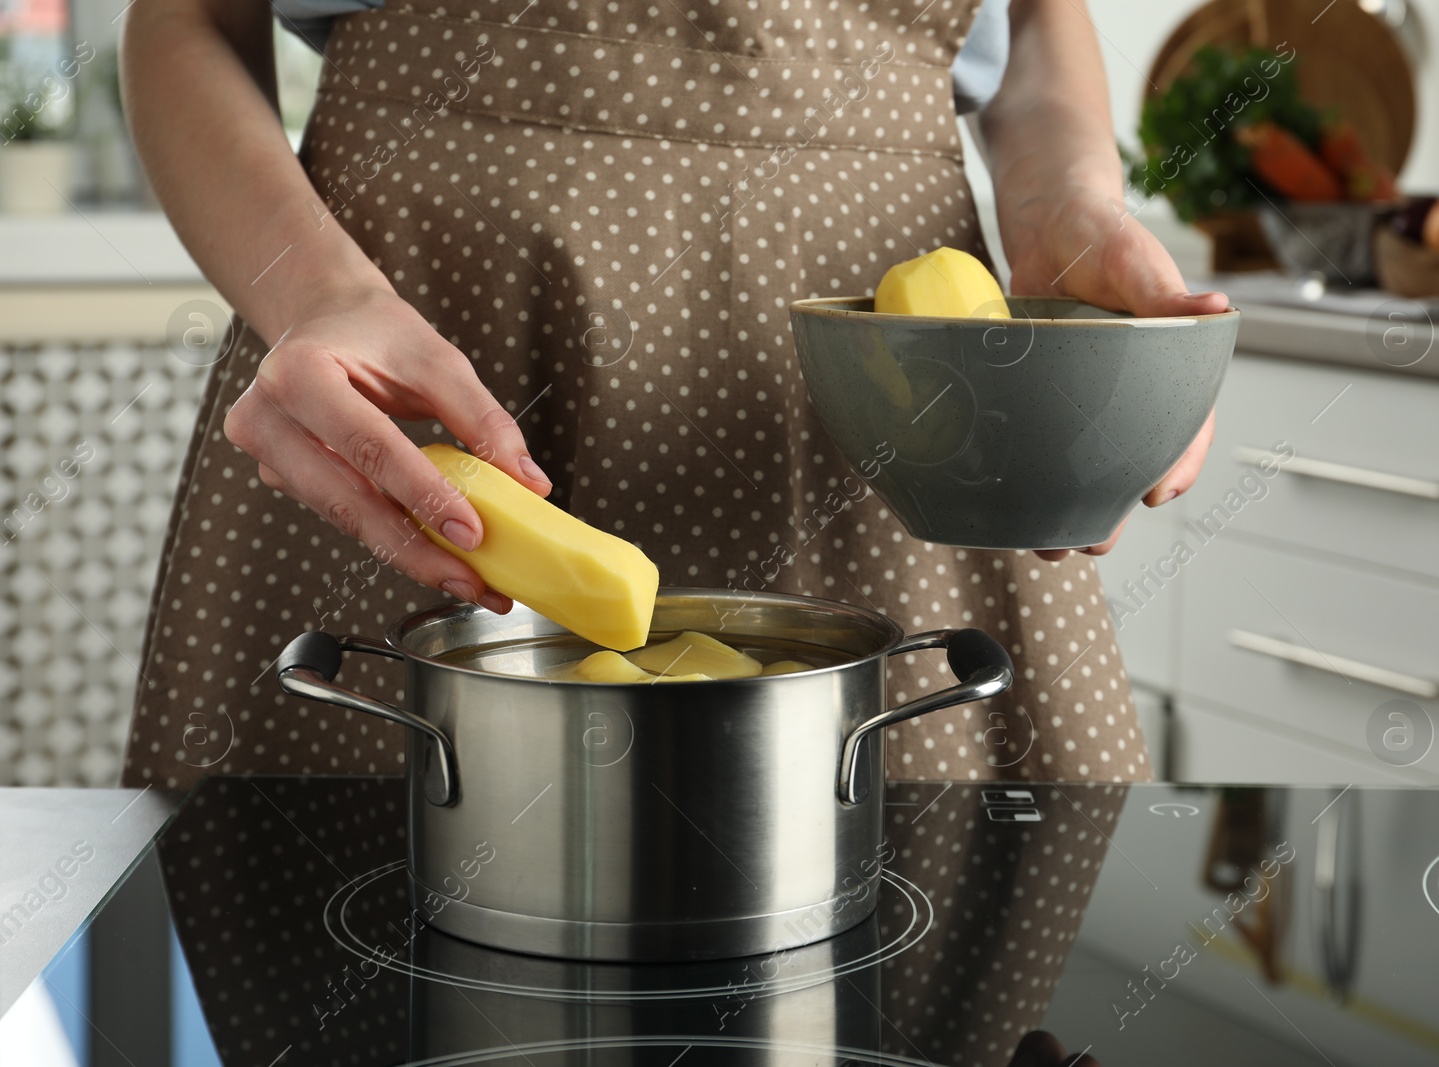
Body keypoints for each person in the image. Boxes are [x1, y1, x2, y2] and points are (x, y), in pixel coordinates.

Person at [118, 0, 1225, 791]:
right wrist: (313, 297)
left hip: (900, 382)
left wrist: (1066, 208)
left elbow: (1034, 26)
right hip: (416, 332)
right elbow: (185, 20)